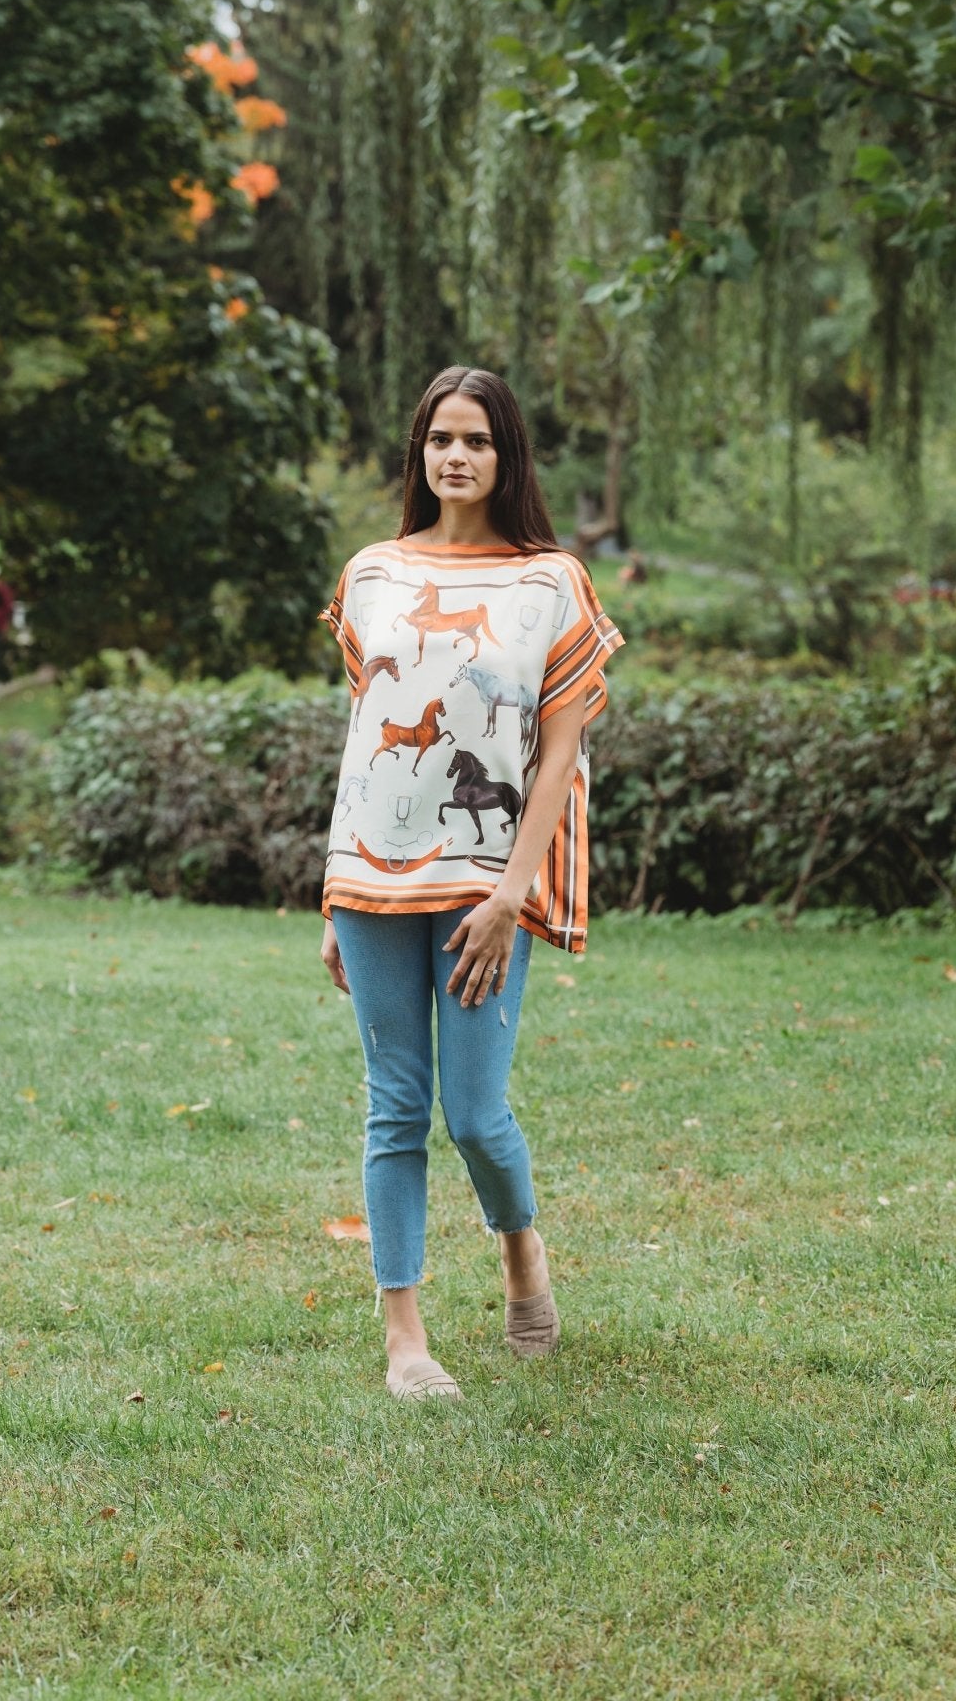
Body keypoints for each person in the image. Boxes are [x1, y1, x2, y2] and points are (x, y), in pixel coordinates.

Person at [318, 365, 624, 1402]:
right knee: (394, 1107)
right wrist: (332, 887)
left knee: (476, 1115)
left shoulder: (551, 582)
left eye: (478, 440)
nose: (457, 456)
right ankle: (405, 1337)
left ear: (507, 458)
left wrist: (510, 892)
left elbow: (556, 757)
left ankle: (520, 1248)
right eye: (441, 438)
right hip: (370, 878)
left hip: (486, 882)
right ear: (419, 454)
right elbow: (362, 739)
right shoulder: (371, 574)